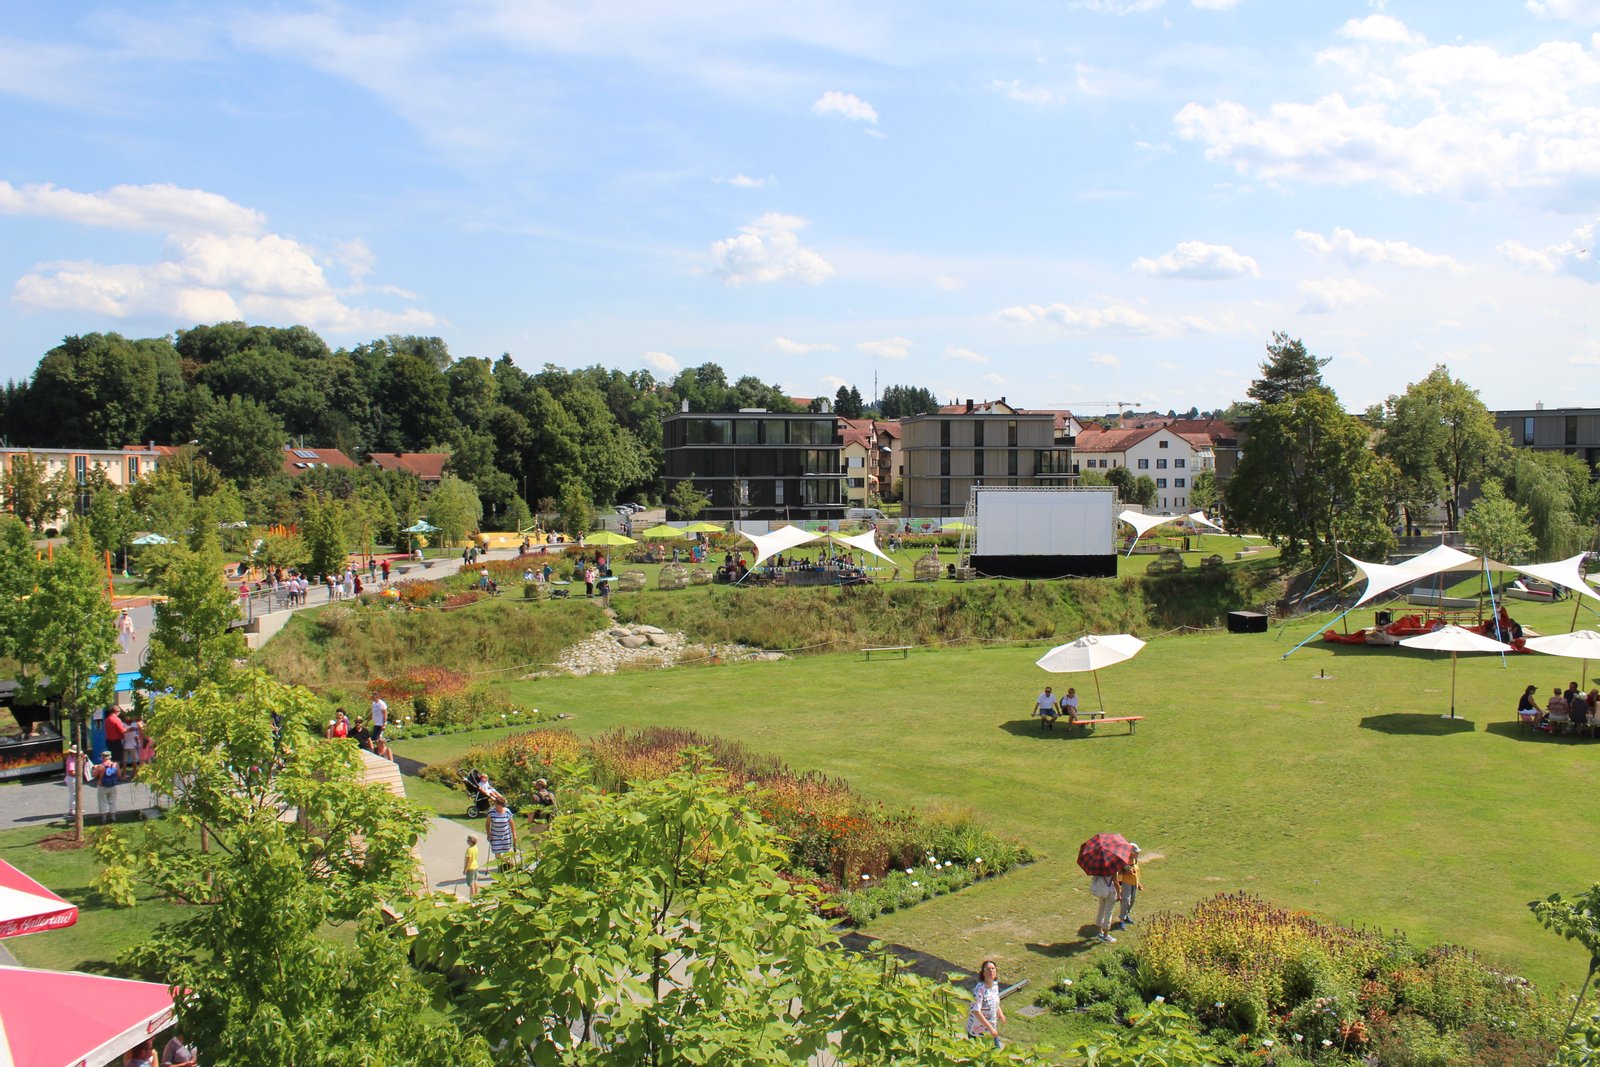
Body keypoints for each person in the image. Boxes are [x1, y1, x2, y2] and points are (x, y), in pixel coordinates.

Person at [965, 959, 1005, 1049]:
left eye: (993, 969)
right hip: (977, 1032)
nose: (991, 971)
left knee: (994, 1056)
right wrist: (990, 1028)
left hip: (990, 1030)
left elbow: (995, 1003)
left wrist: (1000, 1014)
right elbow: (976, 1011)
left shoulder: (995, 985)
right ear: (983, 973)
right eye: (988, 969)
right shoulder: (979, 989)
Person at [1115, 845, 1144, 928]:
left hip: (1133, 882)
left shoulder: (1135, 860)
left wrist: (1138, 883)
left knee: (1132, 900)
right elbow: (1120, 873)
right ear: (1131, 853)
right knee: (1126, 900)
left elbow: (1136, 873)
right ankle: (1121, 919)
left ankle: (1126, 915)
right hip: (1126, 882)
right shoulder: (1124, 861)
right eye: (1136, 852)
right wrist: (1126, 869)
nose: (1138, 853)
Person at [486, 795, 517, 868]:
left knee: (507, 852)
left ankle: (507, 865)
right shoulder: (491, 812)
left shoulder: (507, 812)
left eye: (502, 805)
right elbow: (487, 823)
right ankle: (501, 866)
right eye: (500, 805)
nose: (502, 807)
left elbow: (511, 822)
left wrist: (514, 833)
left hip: (506, 835)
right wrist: (488, 834)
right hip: (495, 835)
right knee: (497, 852)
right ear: (496, 804)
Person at [92, 751, 121, 824]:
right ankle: (113, 817)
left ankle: (104, 818)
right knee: (112, 801)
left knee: (102, 802)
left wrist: (94, 768)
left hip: (103, 786)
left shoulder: (100, 766)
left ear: (102, 757)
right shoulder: (115, 765)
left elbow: (94, 775)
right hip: (113, 785)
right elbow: (119, 775)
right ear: (110, 756)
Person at [1090, 870, 1119, 943]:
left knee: (1101, 910)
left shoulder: (1100, 867)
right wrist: (1119, 894)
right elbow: (1116, 882)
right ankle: (1105, 935)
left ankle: (1100, 932)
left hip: (1102, 890)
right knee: (1108, 912)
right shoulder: (1113, 868)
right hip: (1111, 891)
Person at [463, 834, 481, 899]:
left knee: (471, 883)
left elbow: (468, 860)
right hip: (476, 866)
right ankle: (476, 894)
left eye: (467, 840)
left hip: (470, 868)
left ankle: (472, 896)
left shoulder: (469, 850)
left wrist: (465, 869)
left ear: (470, 842)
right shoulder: (475, 848)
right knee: (475, 881)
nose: (467, 841)